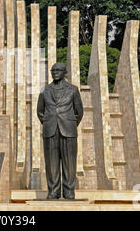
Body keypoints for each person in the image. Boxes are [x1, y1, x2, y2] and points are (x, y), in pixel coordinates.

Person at [36, 62, 83, 199]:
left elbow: (79, 111)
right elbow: (40, 112)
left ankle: (69, 191)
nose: (55, 72)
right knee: (51, 163)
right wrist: (48, 122)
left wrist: (71, 123)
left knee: (69, 162)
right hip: (50, 130)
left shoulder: (73, 90)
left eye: (58, 70)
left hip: (68, 129)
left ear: (64, 73)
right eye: (53, 70)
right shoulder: (44, 90)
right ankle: (53, 191)